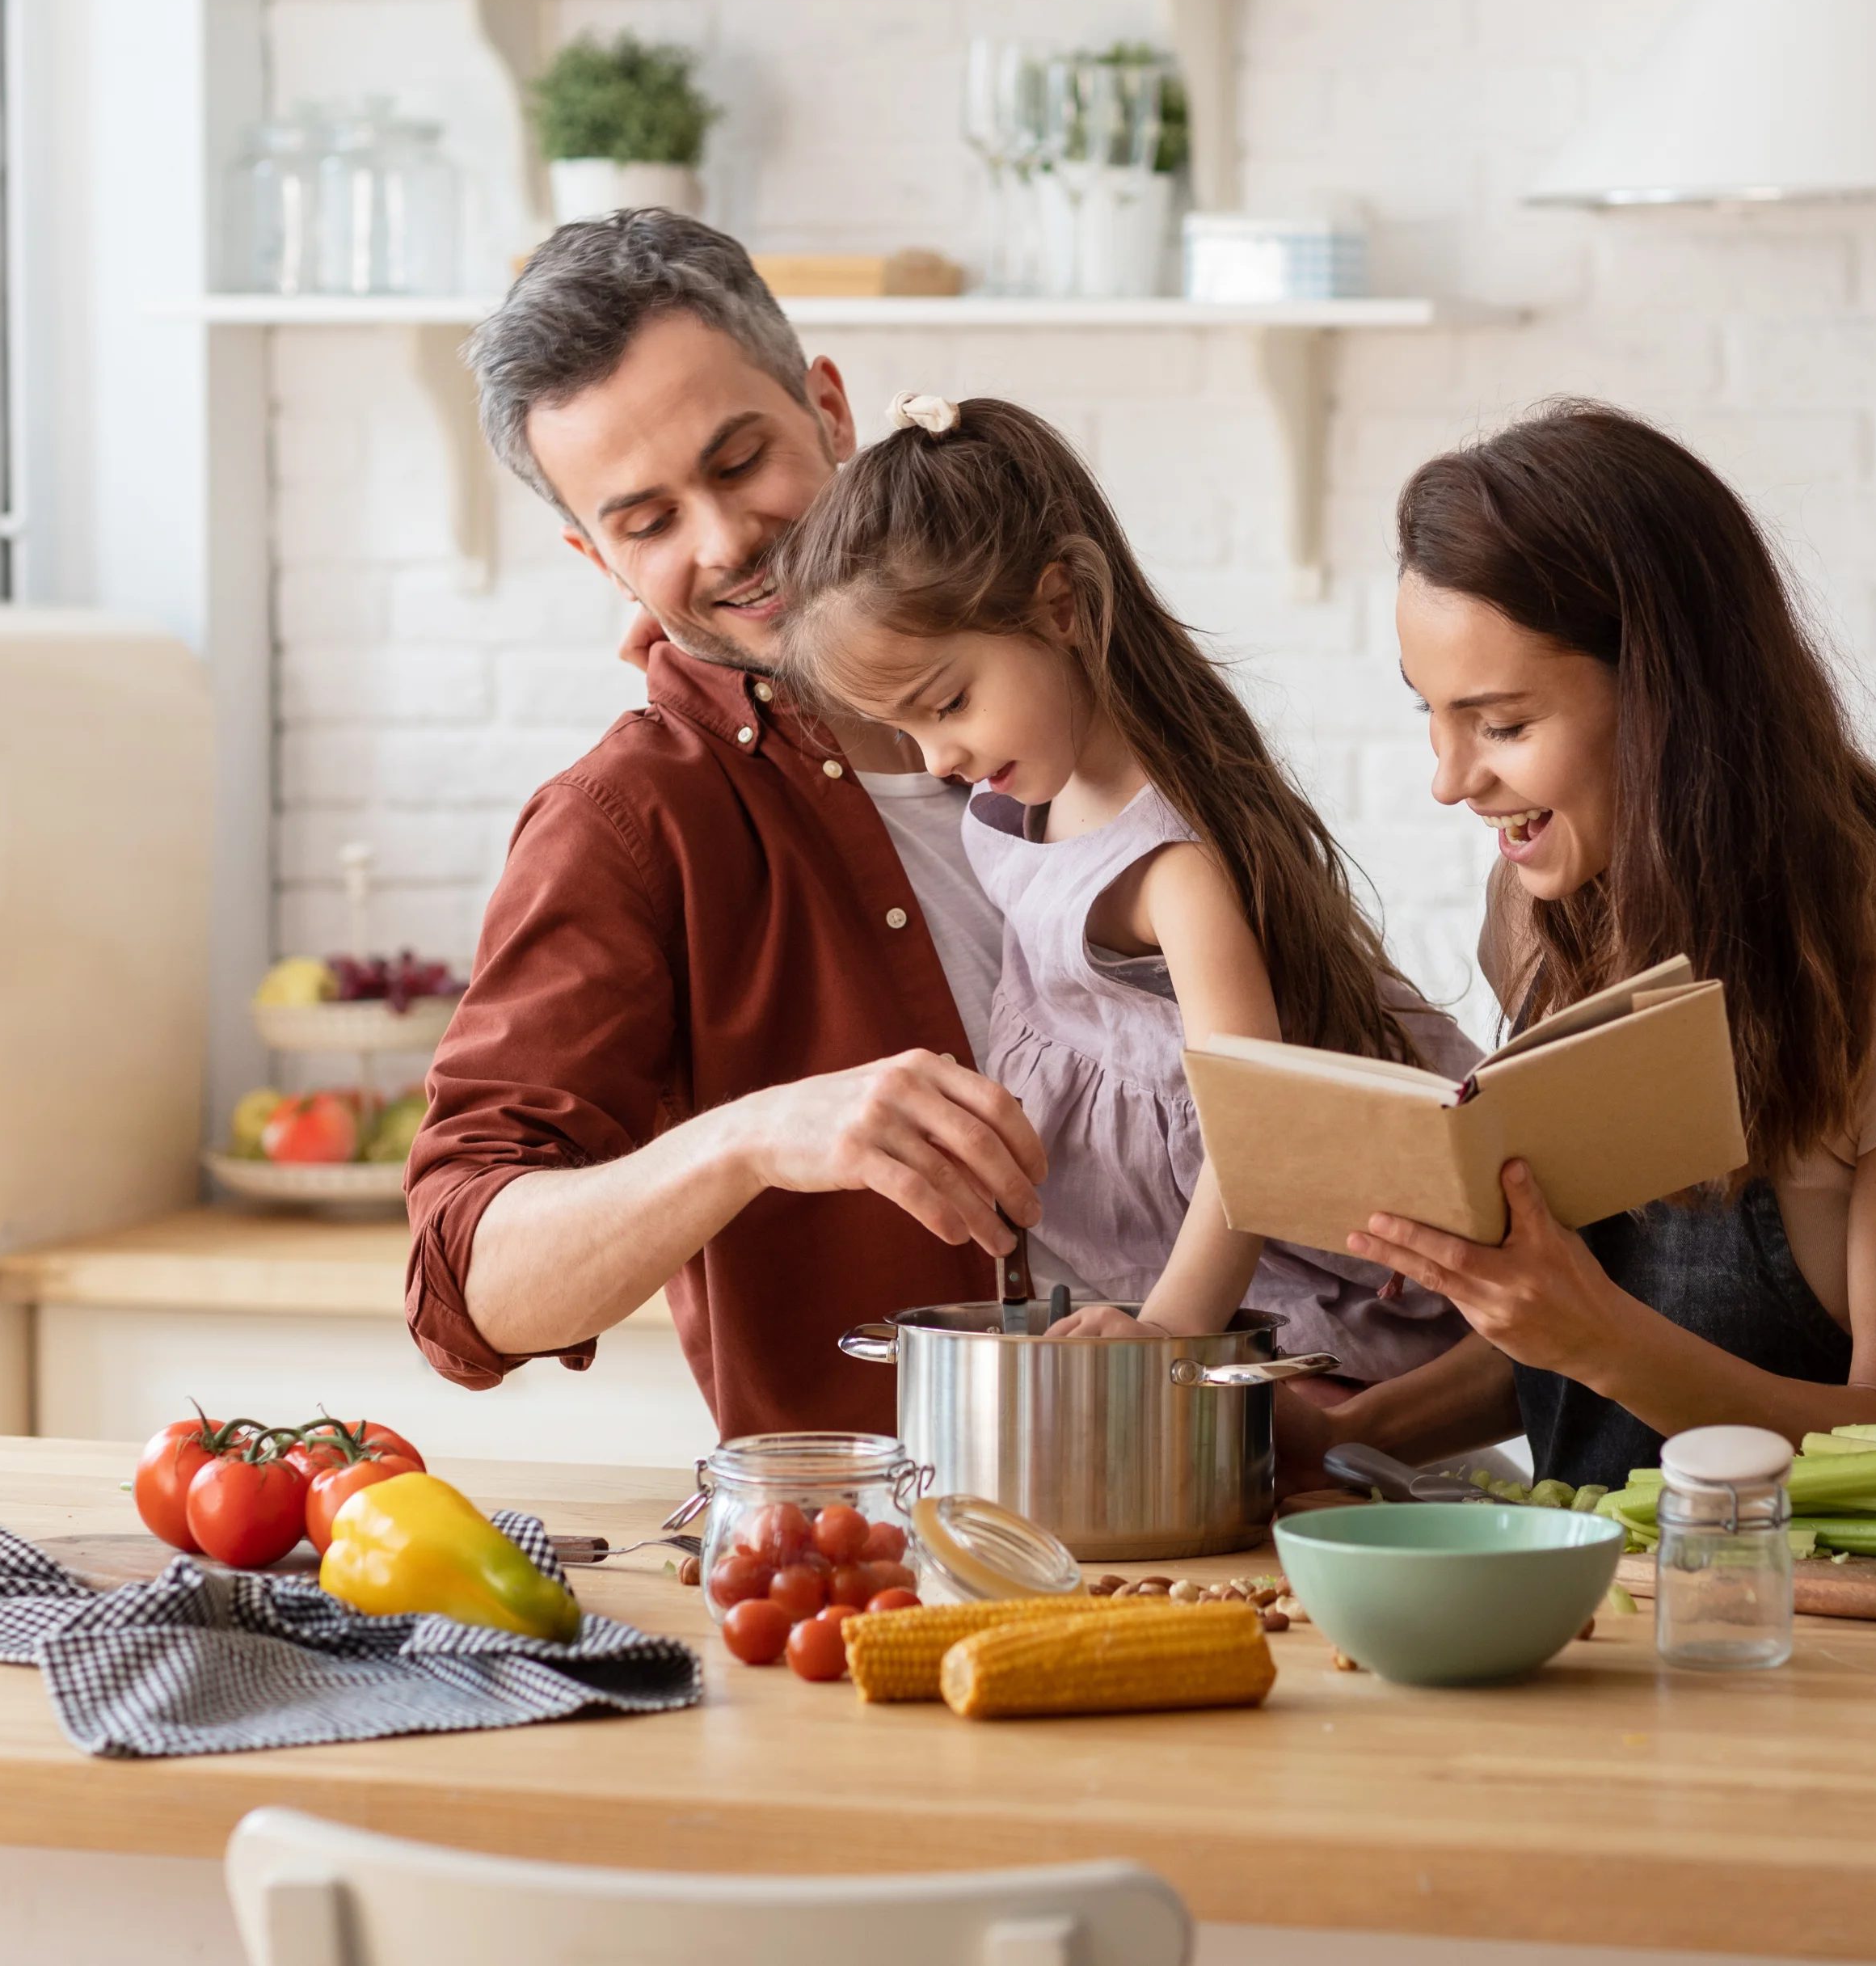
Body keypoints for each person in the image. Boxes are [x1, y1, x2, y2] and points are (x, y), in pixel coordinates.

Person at [401, 212, 1049, 1440]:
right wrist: (751, 1136)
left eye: (742, 459)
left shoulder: (1067, 670)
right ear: (597, 558)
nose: (726, 540)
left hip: (1269, 1487)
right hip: (908, 1552)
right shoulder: (629, 822)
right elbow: (466, 1285)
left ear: (831, 411)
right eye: (647, 522)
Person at [1323, 401, 1876, 1488]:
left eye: (1504, 724)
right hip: (1584, 1600)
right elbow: (1559, 1338)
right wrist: (1323, 1437)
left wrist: (1594, 1335)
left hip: (1799, 1630)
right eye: (1432, 712)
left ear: (1668, 701)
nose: (1451, 778)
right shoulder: (1545, 914)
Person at [769, 393, 1472, 1382]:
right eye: (908, 729)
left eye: (950, 703)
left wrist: (1172, 1332)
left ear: (1061, 607)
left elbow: (1254, 1129)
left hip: (1264, 1305)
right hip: (1148, 1289)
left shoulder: (1169, 868)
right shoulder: (1035, 800)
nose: (938, 757)